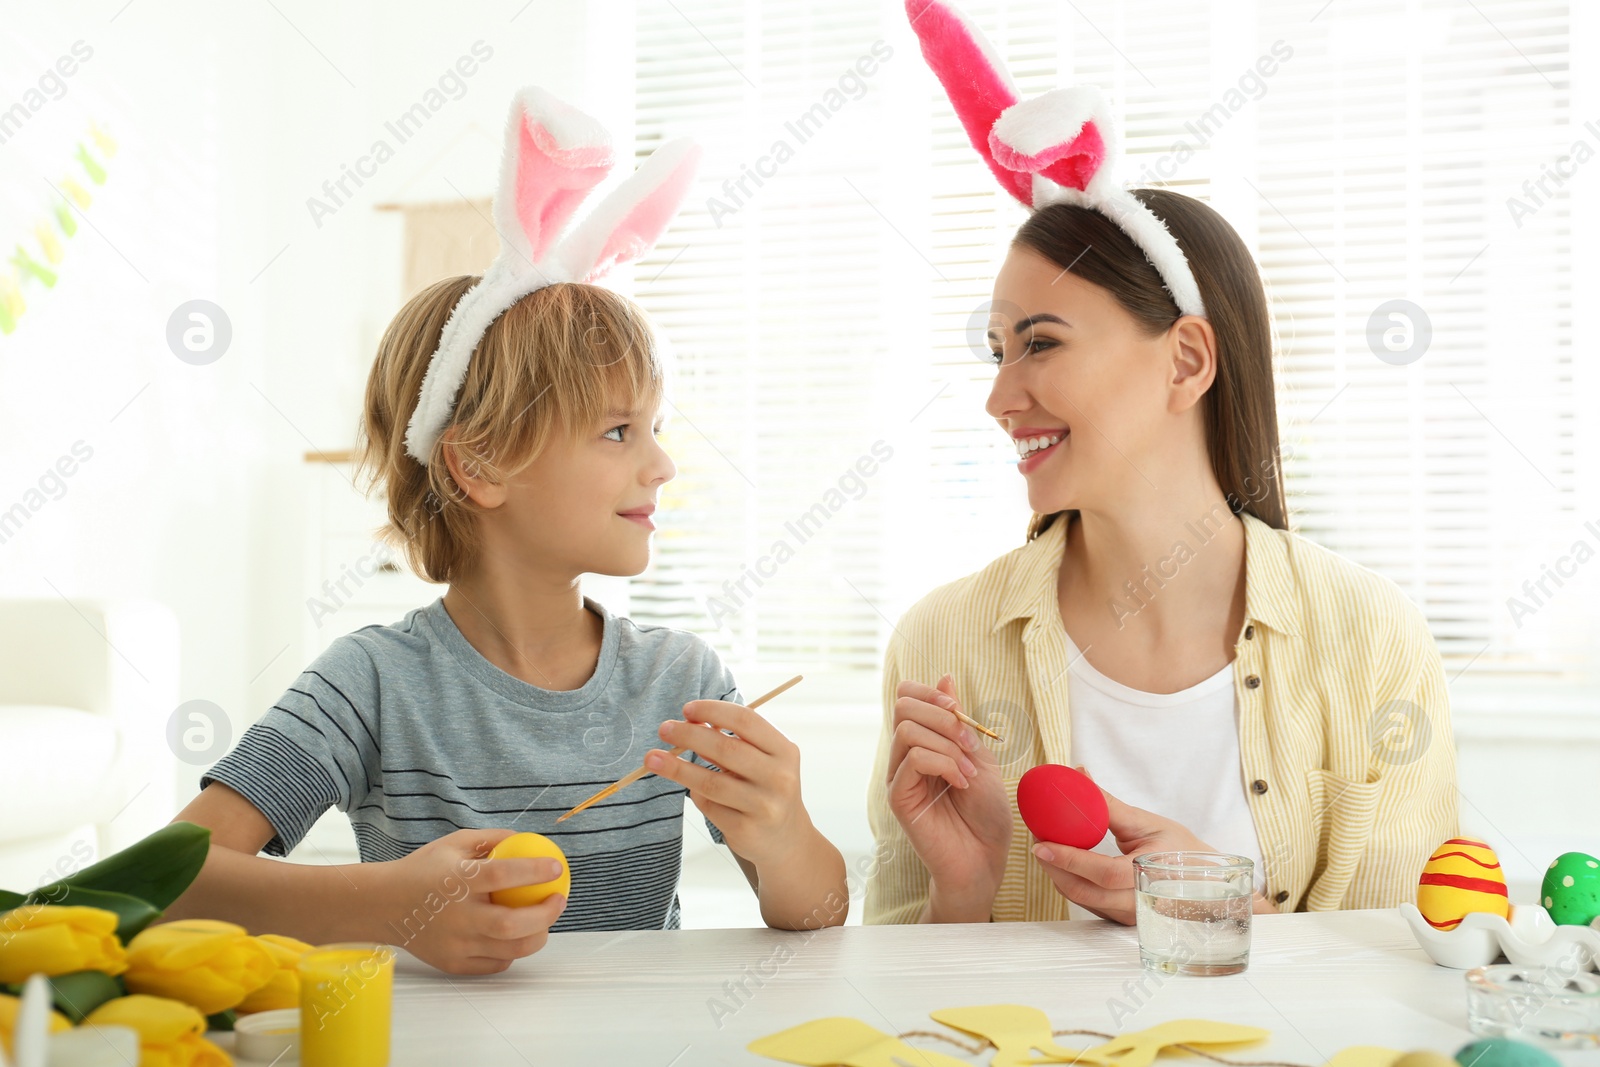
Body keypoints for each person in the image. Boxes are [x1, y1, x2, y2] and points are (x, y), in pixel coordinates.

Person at [164, 87, 848, 974]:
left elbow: (822, 916)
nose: (662, 466)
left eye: (656, 427)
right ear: (478, 465)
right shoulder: (371, 685)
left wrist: (785, 831)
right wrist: (389, 907)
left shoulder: (680, 686)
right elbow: (171, 881)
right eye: (616, 431)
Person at [864, 0, 1457, 925]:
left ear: (1186, 360)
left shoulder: (1371, 640)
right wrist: (963, 891)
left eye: (1042, 343)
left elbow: (1397, 996)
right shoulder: (940, 646)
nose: (999, 396)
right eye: (995, 350)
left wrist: (1219, 904)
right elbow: (905, 1025)